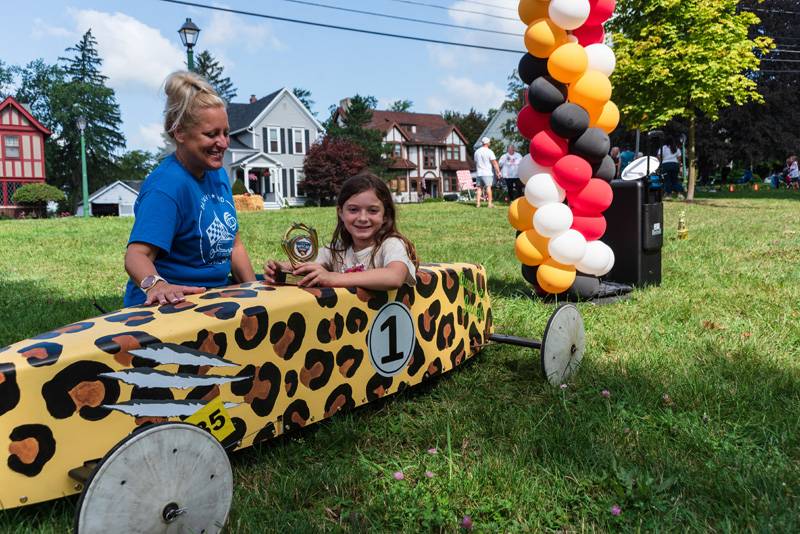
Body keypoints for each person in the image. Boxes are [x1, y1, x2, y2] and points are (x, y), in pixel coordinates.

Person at [123, 71, 257, 307]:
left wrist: (255, 294)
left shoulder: (217, 175)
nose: (224, 143)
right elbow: (136, 256)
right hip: (169, 307)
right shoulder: (166, 186)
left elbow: (234, 246)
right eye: (211, 134)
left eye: (225, 133)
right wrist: (157, 286)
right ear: (180, 133)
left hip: (213, 299)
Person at [263, 172, 418, 290]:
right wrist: (280, 268)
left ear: (385, 216)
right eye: (353, 210)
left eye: (372, 210)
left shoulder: (391, 245)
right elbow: (305, 264)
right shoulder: (338, 249)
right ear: (340, 213)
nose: (363, 218)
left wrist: (333, 278)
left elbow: (394, 277)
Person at [473, 137, 501, 208]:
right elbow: (494, 163)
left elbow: (475, 162)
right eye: (489, 142)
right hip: (487, 173)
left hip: (479, 173)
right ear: (487, 143)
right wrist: (498, 172)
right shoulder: (489, 151)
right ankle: (489, 204)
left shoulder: (477, 152)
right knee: (488, 187)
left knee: (479, 188)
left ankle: (478, 204)